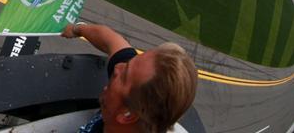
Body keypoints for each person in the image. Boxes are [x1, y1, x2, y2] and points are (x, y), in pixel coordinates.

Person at [61, 22, 197, 133]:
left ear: (128, 115)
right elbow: (111, 40)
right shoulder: (138, 91)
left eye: (124, 75)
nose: (117, 66)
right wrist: (77, 29)